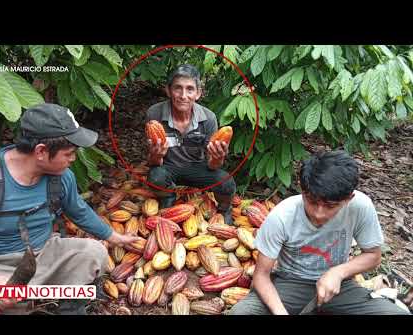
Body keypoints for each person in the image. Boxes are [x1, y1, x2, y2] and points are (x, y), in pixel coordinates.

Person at [0, 103, 140, 315]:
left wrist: (115, 237)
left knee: (93, 252)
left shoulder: (61, 176)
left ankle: (67, 308)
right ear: (41, 151)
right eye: (69, 153)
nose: (73, 159)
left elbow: (78, 210)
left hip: (41, 258)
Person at [229, 150, 410, 315]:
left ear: (348, 198)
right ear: (302, 190)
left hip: (339, 287)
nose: (318, 213)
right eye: (312, 201)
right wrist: (280, 312)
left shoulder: (360, 206)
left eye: (330, 206)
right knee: (241, 312)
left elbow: (373, 255)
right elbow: (261, 276)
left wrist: (338, 273)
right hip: (290, 283)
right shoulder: (282, 215)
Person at [146, 64, 236, 224]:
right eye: (177, 88)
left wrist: (218, 157)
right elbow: (153, 163)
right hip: (169, 167)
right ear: (168, 90)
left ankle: (224, 209)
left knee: (226, 182)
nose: (183, 95)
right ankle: (168, 197)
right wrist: (156, 154)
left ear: (198, 93)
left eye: (189, 89)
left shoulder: (208, 118)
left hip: (198, 168)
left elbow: (213, 165)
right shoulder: (155, 113)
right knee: (155, 176)